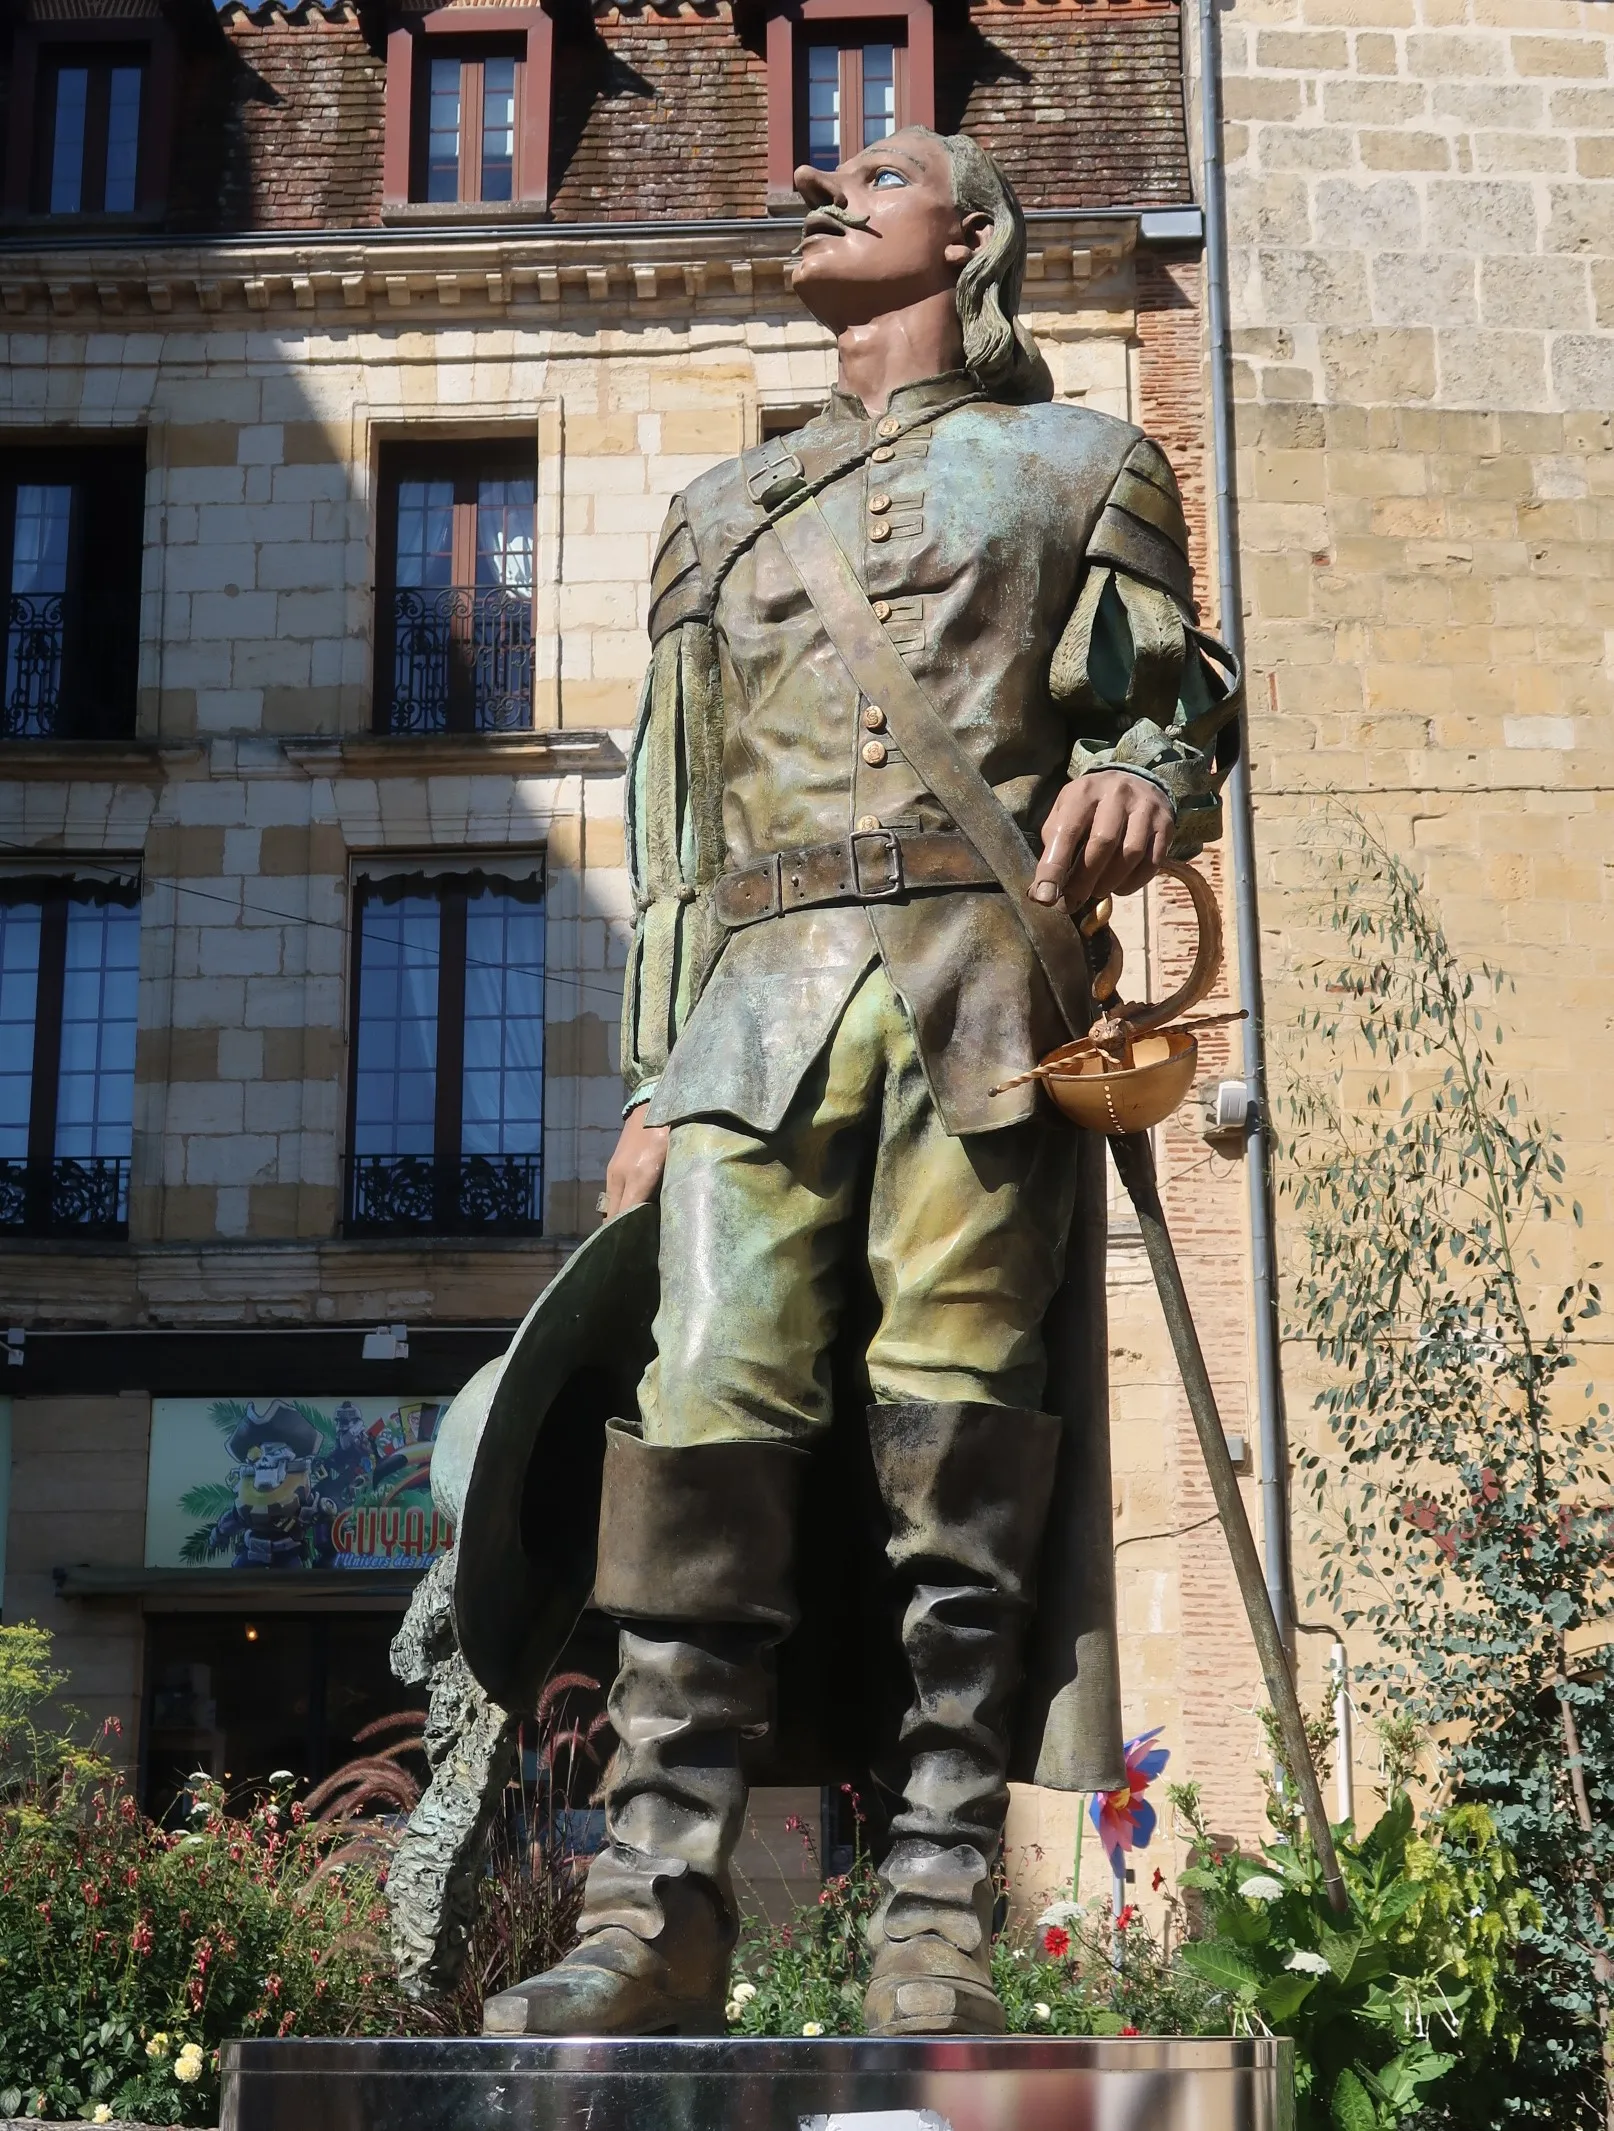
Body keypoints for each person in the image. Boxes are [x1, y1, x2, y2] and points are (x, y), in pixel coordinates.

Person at [484, 126, 1235, 2040]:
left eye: (876, 173)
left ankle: (933, 1910)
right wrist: (650, 1082)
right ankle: (657, 1896)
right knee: (701, 1419)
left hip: (972, 1005)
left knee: (958, 1440)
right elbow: (667, 832)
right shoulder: (714, 512)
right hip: (750, 1019)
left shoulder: (1082, 462)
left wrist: (1148, 766)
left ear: (967, 239)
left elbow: (1171, 688)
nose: (822, 184)